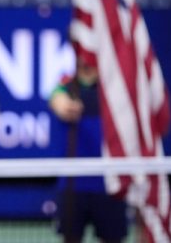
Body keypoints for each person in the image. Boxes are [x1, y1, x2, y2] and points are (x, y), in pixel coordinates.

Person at [49, 54, 128, 243]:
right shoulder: (65, 86)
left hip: (110, 183)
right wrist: (66, 106)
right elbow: (58, 102)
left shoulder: (114, 87)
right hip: (73, 185)